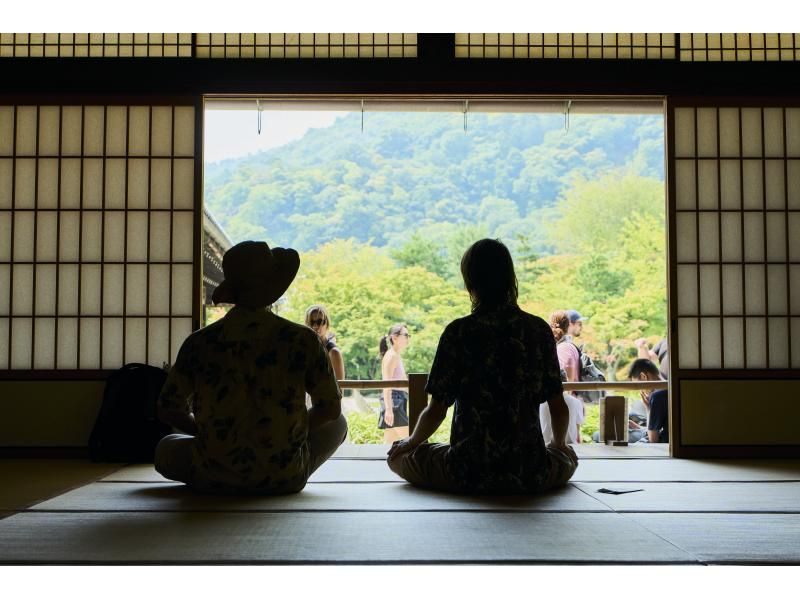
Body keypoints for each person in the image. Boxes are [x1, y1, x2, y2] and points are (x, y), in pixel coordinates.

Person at [387, 238, 578, 494]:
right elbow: (557, 405)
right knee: (568, 457)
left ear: (470, 281)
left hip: (466, 470)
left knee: (398, 456)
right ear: (511, 279)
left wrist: (411, 442)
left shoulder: (459, 332)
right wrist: (558, 446)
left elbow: (437, 410)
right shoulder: (537, 330)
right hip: (528, 470)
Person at [154, 241, 347, 494]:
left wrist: (209, 434)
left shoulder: (200, 342)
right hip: (285, 474)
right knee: (339, 423)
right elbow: (330, 408)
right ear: (272, 288)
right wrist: (289, 434)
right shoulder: (302, 340)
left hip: (213, 473)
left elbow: (168, 408)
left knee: (166, 446)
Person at [541, 310, 586, 444]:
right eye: (579, 323)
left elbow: (566, 377)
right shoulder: (567, 347)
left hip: (563, 400)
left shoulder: (563, 348)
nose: (581, 327)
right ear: (569, 325)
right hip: (569, 402)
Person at [378, 324, 411, 444]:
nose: (408, 338)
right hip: (394, 400)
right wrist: (389, 409)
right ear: (394, 338)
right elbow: (386, 383)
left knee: (389, 444)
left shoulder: (395, 355)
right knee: (411, 441)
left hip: (398, 399)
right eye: (405, 335)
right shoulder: (391, 356)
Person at [628, 358, 669, 443]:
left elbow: (653, 439)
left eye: (638, 386)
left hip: (666, 444)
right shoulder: (669, 387)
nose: (640, 390)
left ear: (644, 376)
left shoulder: (657, 396)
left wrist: (649, 408)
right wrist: (648, 407)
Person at [305, 305, 345, 381]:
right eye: (312, 322)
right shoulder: (305, 349)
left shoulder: (333, 353)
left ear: (327, 324)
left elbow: (340, 389)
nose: (315, 326)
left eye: (320, 322)